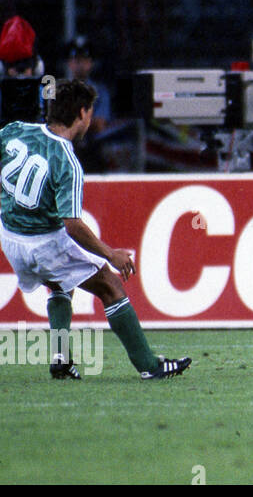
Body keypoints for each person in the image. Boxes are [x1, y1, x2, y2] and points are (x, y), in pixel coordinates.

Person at [0, 80, 190, 379]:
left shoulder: (15, 131)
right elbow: (72, 224)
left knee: (61, 282)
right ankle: (149, 367)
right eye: (89, 111)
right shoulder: (67, 161)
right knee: (110, 286)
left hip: (10, 237)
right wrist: (110, 254)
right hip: (43, 242)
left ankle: (61, 360)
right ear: (82, 113)